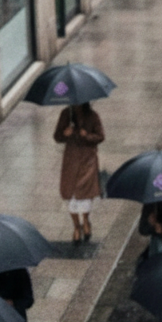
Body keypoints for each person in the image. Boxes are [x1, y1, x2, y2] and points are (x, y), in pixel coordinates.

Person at [53, 102, 105, 243]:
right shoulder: (66, 114)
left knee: (85, 194)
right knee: (70, 194)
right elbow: (57, 136)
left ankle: (86, 221)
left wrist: (86, 135)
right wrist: (65, 134)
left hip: (87, 160)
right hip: (71, 159)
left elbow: (100, 136)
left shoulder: (93, 116)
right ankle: (76, 226)